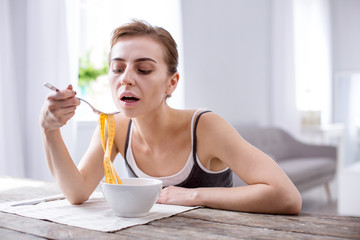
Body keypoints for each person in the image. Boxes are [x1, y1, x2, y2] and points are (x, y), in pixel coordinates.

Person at [40, 20, 302, 214]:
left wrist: (193, 195)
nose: (126, 79)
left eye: (143, 70)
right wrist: (50, 130)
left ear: (171, 83)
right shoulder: (114, 127)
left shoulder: (205, 127)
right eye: (117, 68)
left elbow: (287, 197)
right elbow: (76, 192)